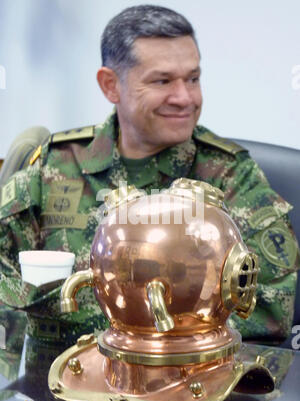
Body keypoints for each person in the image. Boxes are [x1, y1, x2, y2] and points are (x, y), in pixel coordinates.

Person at [0, 4, 299, 345]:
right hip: (56, 380)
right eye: (162, 80)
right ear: (111, 85)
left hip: (186, 384)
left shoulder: (229, 176)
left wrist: (112, 324)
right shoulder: (57, 166)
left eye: (193, 78)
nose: (185, 98)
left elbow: (272, 305)